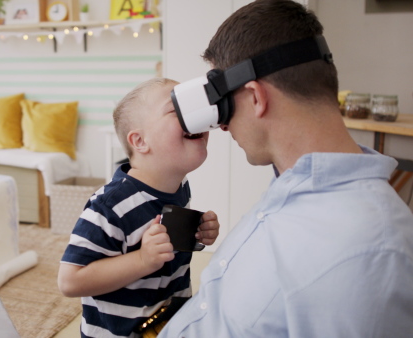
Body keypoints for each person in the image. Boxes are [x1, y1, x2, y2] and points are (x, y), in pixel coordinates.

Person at [159, 1, 413, 337]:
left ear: (256, 97)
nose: (222, 126)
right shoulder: (295, 185)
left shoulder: (368, 255)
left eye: (224, 108)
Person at [58, 77, 221, 337]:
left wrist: (198, 234)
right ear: (140, 142)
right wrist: (142, 260)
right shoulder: (110, 206)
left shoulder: (179, 186)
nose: (192, 117)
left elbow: (170, 250)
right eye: (175, 109)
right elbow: (70, 281)